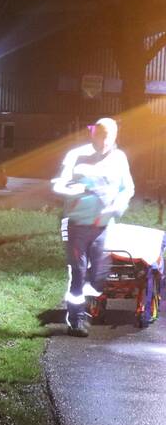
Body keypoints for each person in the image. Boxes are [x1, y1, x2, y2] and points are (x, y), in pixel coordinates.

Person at [51, 117, 134, 337]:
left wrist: (116, 207)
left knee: (97, 273)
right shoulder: (76, 155)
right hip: (76, 224)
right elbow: (58, 184)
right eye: (101, 135)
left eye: (109, 136)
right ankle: (76, 320)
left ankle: (91, 304)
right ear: (93, 133)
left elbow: (127, 189)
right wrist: (73, 190)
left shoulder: (119, 158)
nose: (105, 140)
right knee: (78, 271)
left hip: (103, 226)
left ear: (115, 136)